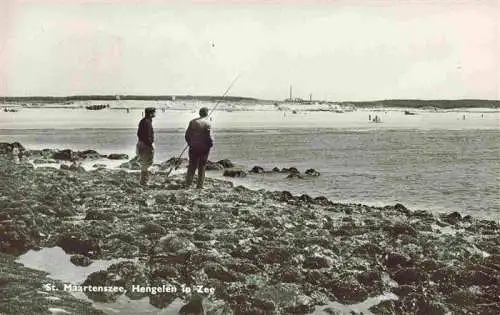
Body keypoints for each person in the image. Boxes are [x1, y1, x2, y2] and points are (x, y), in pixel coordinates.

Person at [184, 107, 213, 189]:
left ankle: (187, 184)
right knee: (202, 166)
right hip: (204, 148)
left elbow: (187, 135)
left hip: (193, 147)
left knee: (192, 166)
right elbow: (209, 137)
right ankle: (200, 185)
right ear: (207, 113)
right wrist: (210, 144)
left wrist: (190, 143)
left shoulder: (193, 122)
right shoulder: (208, 123)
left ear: (200, 113)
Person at [136, 107, 156, 186]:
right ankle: (145, 182)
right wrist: (151, 144)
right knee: (147, 163)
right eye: (154, 113)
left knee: (144, 163)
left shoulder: (143, 121)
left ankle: (143, 181)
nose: (155, 114)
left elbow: (139, 134)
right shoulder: (147, 122)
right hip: (146, 145)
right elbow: (147, 136)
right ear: (151, 114)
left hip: (140, 143)